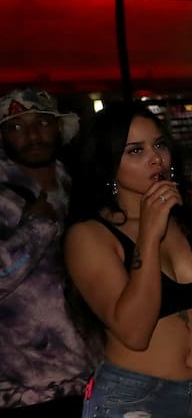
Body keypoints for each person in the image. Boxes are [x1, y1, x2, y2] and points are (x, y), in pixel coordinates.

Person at [62, 102, 192, 417]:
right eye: (136, 150)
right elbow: (134, 332)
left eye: (160, 145)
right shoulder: (89, 235)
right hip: (138, 399)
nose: (156, 158)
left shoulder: (180, 220)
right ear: (108, 164)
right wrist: (148, 237)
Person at [0, 88, 96, 416]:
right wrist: (36, 230)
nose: (32, 136)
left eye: (41, 123)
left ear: (58, 127)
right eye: (16, 126)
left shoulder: (80, 187)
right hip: (26, 391)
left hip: (96, 377)